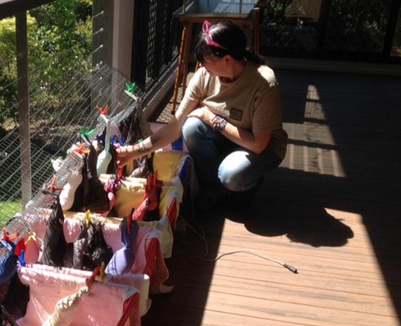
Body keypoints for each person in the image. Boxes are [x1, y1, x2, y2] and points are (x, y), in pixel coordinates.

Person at [117, 20, 288, 209]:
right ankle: (215, 188)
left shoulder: (264, 82)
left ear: (227, 59)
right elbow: (174, 127)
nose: (202, 65)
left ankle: (248, 184)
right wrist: (133, 151)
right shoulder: (204, 76)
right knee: (190, 126)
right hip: (227, 138)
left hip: (262, 148)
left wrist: (212, 118)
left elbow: (258, 144)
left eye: (207, 61)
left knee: (231, 174)